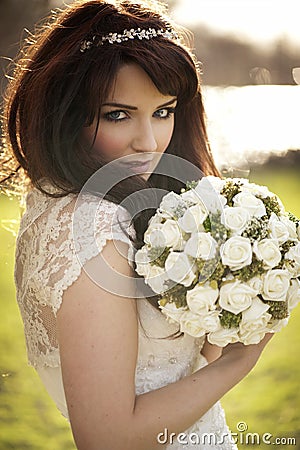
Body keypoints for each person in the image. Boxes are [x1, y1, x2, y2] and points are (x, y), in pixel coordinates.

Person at [1, 1, 273, 449]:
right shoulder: (93, 225)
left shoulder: (62, 202)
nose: (149, 143)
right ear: (68, 114)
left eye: (163, 111)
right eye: (118, 114)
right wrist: (238, 363)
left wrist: (229, 298)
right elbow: (108, 437)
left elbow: (173, 361)